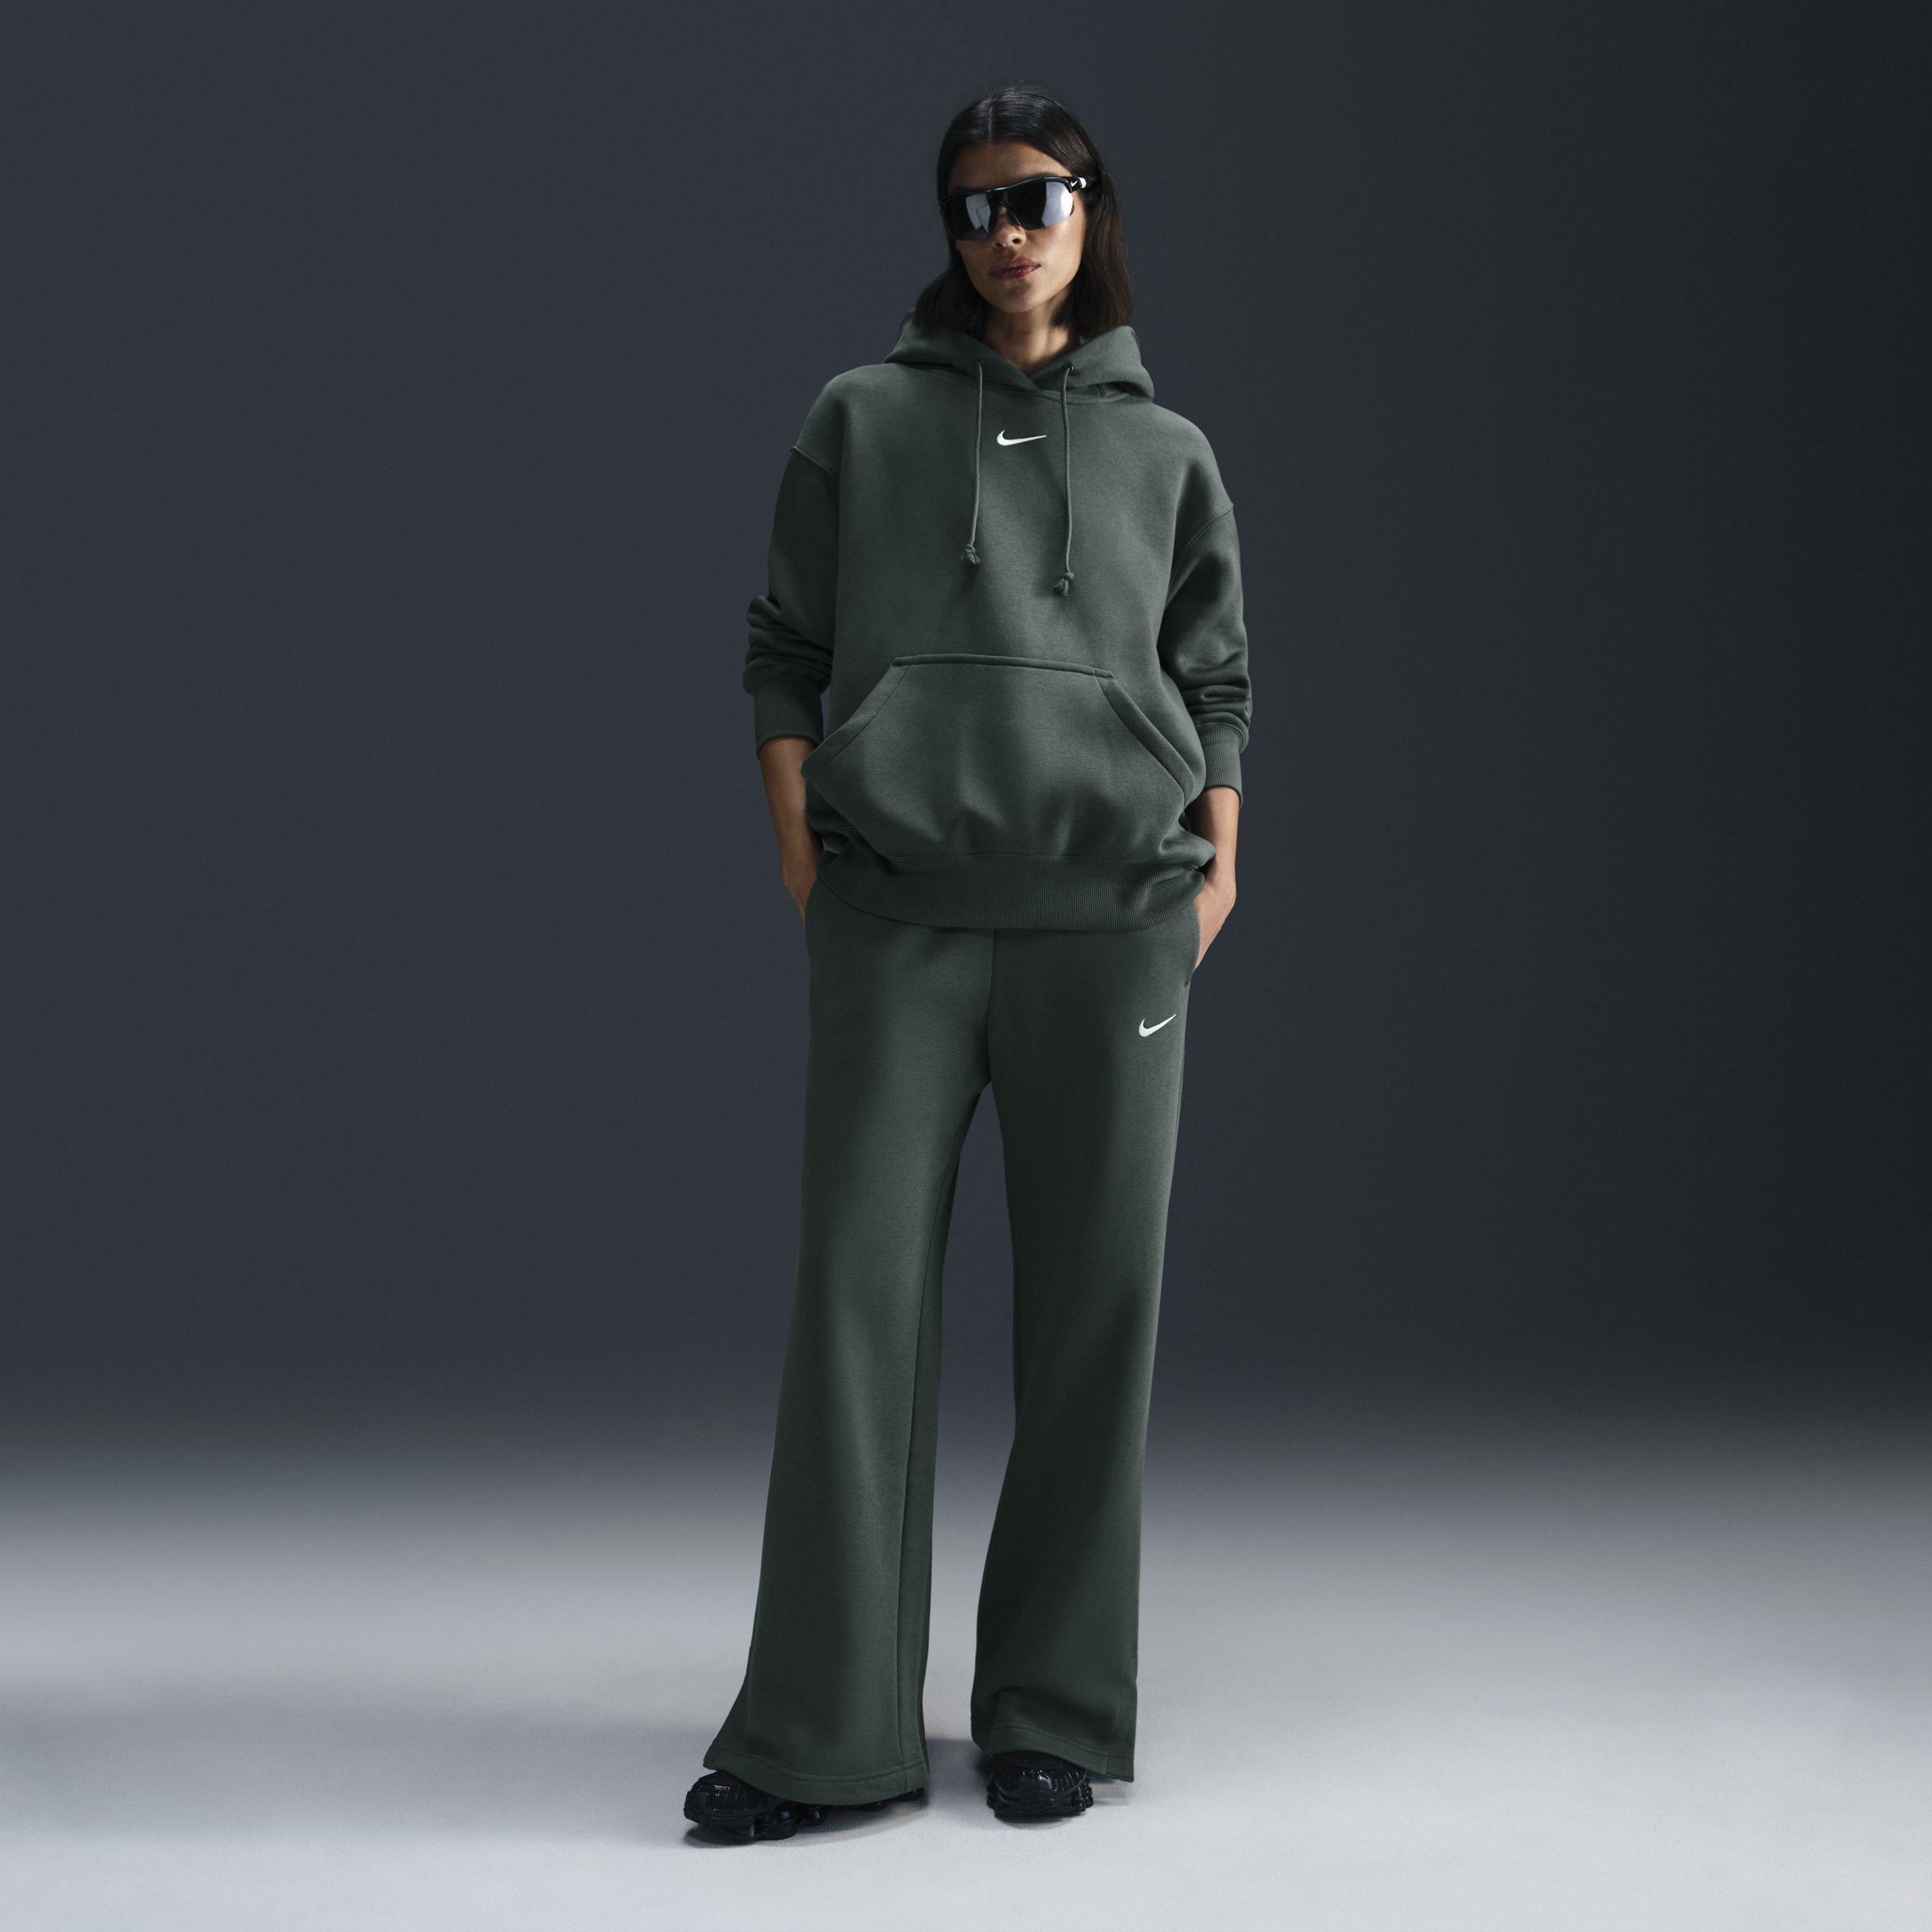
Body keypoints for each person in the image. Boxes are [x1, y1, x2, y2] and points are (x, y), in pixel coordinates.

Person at [684, 85, 1251, 1840]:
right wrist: (804, 850)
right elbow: (782, 647)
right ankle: (821, 1732)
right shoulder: (861, 419)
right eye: (975, 206)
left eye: (1039, 197)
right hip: (901, 917)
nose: (1008, 233)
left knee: (1097, 1318)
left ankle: (1051, 1711)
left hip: (1114, 925)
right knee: (855, 1313)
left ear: (1094, 209)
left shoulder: (1169, 453)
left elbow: (1216, 679)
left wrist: (1218, 873)